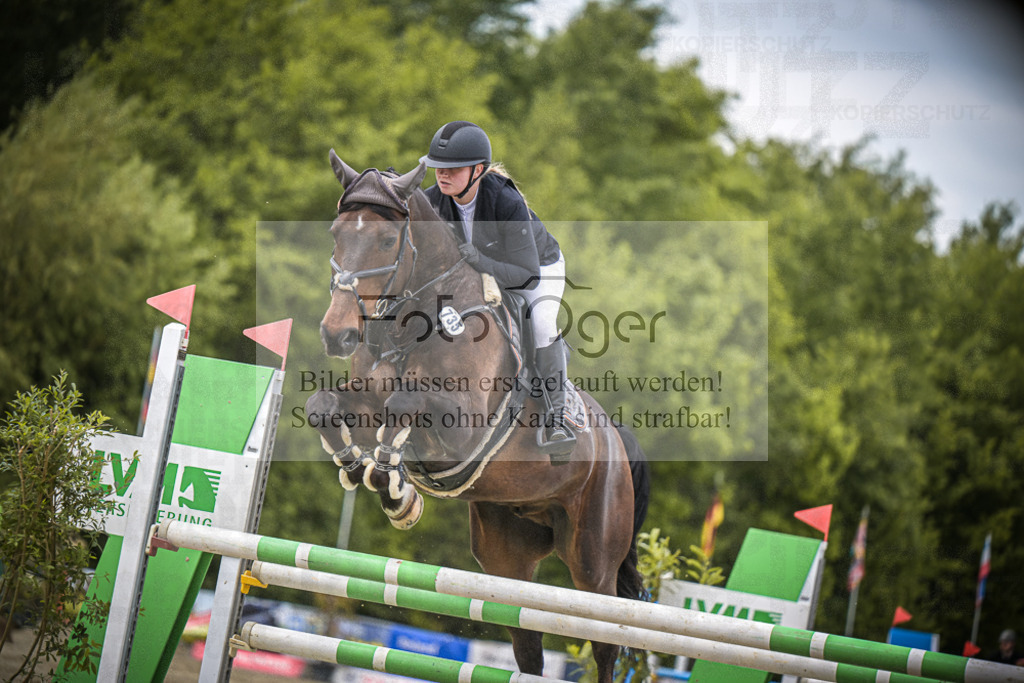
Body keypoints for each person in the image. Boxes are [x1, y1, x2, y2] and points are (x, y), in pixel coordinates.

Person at [420, 120, 575, 457]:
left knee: (542, 322)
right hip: (479, 269)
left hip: (537, 268)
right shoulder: (432, 201)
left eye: (452, 169)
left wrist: (480, 262)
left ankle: (558, 417)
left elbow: (526, 276)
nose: (442, 176)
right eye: (438, 169)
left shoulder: (506, 201)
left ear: (478, 170)